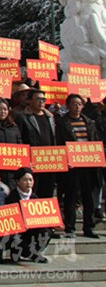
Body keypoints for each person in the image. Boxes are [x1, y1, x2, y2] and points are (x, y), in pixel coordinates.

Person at [55, 94, 101, 238]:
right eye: (74, 104)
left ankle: (89, 227)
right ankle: (70, 227)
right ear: (68, 105)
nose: (77, 106)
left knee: (89, 197)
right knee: (71, 196)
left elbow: (95, 141)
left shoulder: (89, 122)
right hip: (72, 166)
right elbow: (58, 143)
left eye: (79, 104)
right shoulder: (62, 123)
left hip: (88, 165)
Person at [17, 89, 58, 199]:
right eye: (38, 99)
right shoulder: (23, 117)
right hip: (33, 163)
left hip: (49, 162)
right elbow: (19, 140)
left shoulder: (50, 117)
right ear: (29, 101)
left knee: (48, 194)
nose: (41, 102)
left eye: (43, 99)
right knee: (34, 194)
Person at [0, 99, 23, 188]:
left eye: (5, 109)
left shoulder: (13, 127)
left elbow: (20, 145)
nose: (3, 112)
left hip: (13, 168)